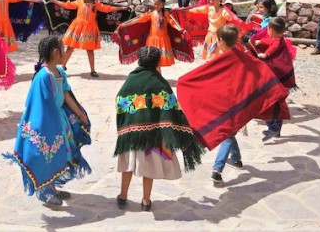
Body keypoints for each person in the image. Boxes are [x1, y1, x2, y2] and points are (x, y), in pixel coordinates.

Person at [4, 36, 91, 207]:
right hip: (46, 122)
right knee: (47, 155)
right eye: (63, 49)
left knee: (61, 154)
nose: (66, 52)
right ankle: (43, 191)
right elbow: (38, 104)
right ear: (55, 52)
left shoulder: (59, 72)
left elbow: (66, 94)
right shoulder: (44, 76)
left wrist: (80, 114)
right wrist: (50, 125)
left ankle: (52, 186)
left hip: (59, 119)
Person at [115, 46, 204, 211]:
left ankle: (123, 195)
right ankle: (146, 200)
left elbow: (120, 100)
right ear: (157, 63)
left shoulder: (132, 79)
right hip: (154, 136)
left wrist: (127, 122)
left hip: (132, 134)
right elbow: (172, 107)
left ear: (139, 61)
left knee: (128, 163)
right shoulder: (160, 83)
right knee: (148, 166)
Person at [48, 0, 129, 77]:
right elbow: (66, 5)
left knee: (90, 50)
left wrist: (121, 8)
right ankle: (63, 66)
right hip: (77, 27)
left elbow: (107, 8)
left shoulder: (96, 4)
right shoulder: (79, 2)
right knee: (70, 47)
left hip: (89, 29)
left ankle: (93, 70)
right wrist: (54, 1)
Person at [249, 17, 295, 141]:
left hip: (280, 78)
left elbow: (272, 48)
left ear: (272, 30)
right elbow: (269, 41)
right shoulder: (277, 39)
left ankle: (274, 129)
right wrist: (260, 42)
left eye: (268, 29)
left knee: (270, 103)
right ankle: (275, 129)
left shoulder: (278, 42)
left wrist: (265, 54)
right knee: (275, 103)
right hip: (282, 78)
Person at [210, 24, 244, 184]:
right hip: (235, 102)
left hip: (230, 104)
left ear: (221, 41)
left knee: (227, 135)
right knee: (230, 132)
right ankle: (236, 159)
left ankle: (218, 168)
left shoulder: (222, 60)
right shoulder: (242, 57)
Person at [116, 0, 187, 70]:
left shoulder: (166, 14)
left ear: (163, 4)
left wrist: (179, 29)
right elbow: (140, 19)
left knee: (159, 62)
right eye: (155, 4)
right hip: (152, 40)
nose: (156, 6)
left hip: (163, 40)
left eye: (158, 4)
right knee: (154, 62)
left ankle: (157, 77)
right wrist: (126, 24)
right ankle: (157, 77)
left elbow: (172, 22)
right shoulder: (151, 13)